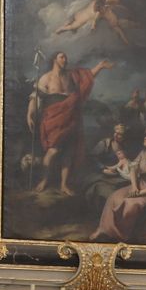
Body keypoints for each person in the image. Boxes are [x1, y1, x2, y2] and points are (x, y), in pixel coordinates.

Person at [28, 52, 114, 195]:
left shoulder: (72, 76)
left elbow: (87, 76)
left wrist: (100, 66)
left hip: (71, 118)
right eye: (62, 57)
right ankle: (44, 180)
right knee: (52, 151)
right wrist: (29, 114)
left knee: (68, 152)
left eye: (66, 57)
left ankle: (64, 185)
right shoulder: (46, 78)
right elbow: (35, 97)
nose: (65, 59)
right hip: (53, 118)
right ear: (55, 59)